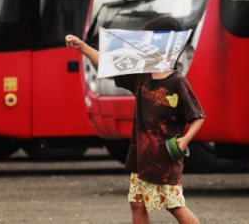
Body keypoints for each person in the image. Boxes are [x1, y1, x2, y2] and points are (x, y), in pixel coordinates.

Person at [65, 16, 205, 224]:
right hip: (142, 156)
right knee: (137, 203)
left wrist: (183, 142)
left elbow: (198, 117)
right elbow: (108, 64)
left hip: (165, 157)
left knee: (174, 205)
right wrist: (82, 46)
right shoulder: (142, 76)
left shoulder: (177, 82)